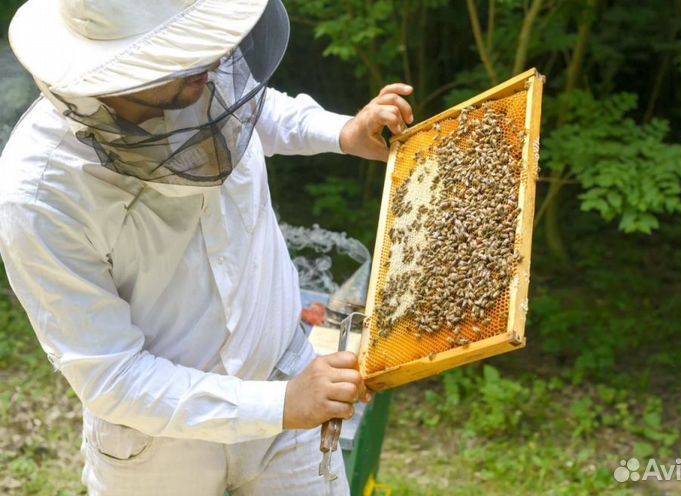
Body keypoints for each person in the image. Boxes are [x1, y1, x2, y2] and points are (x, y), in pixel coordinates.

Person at [0, 0, 413, 494]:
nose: (216, 66)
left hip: (285, 385)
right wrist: (280, 404)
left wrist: (339, 131)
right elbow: (112, 375)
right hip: (160, 451)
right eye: (188, 57)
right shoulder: (38, 195)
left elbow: (252, 106)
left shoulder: (199, 76)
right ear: (116, 74)